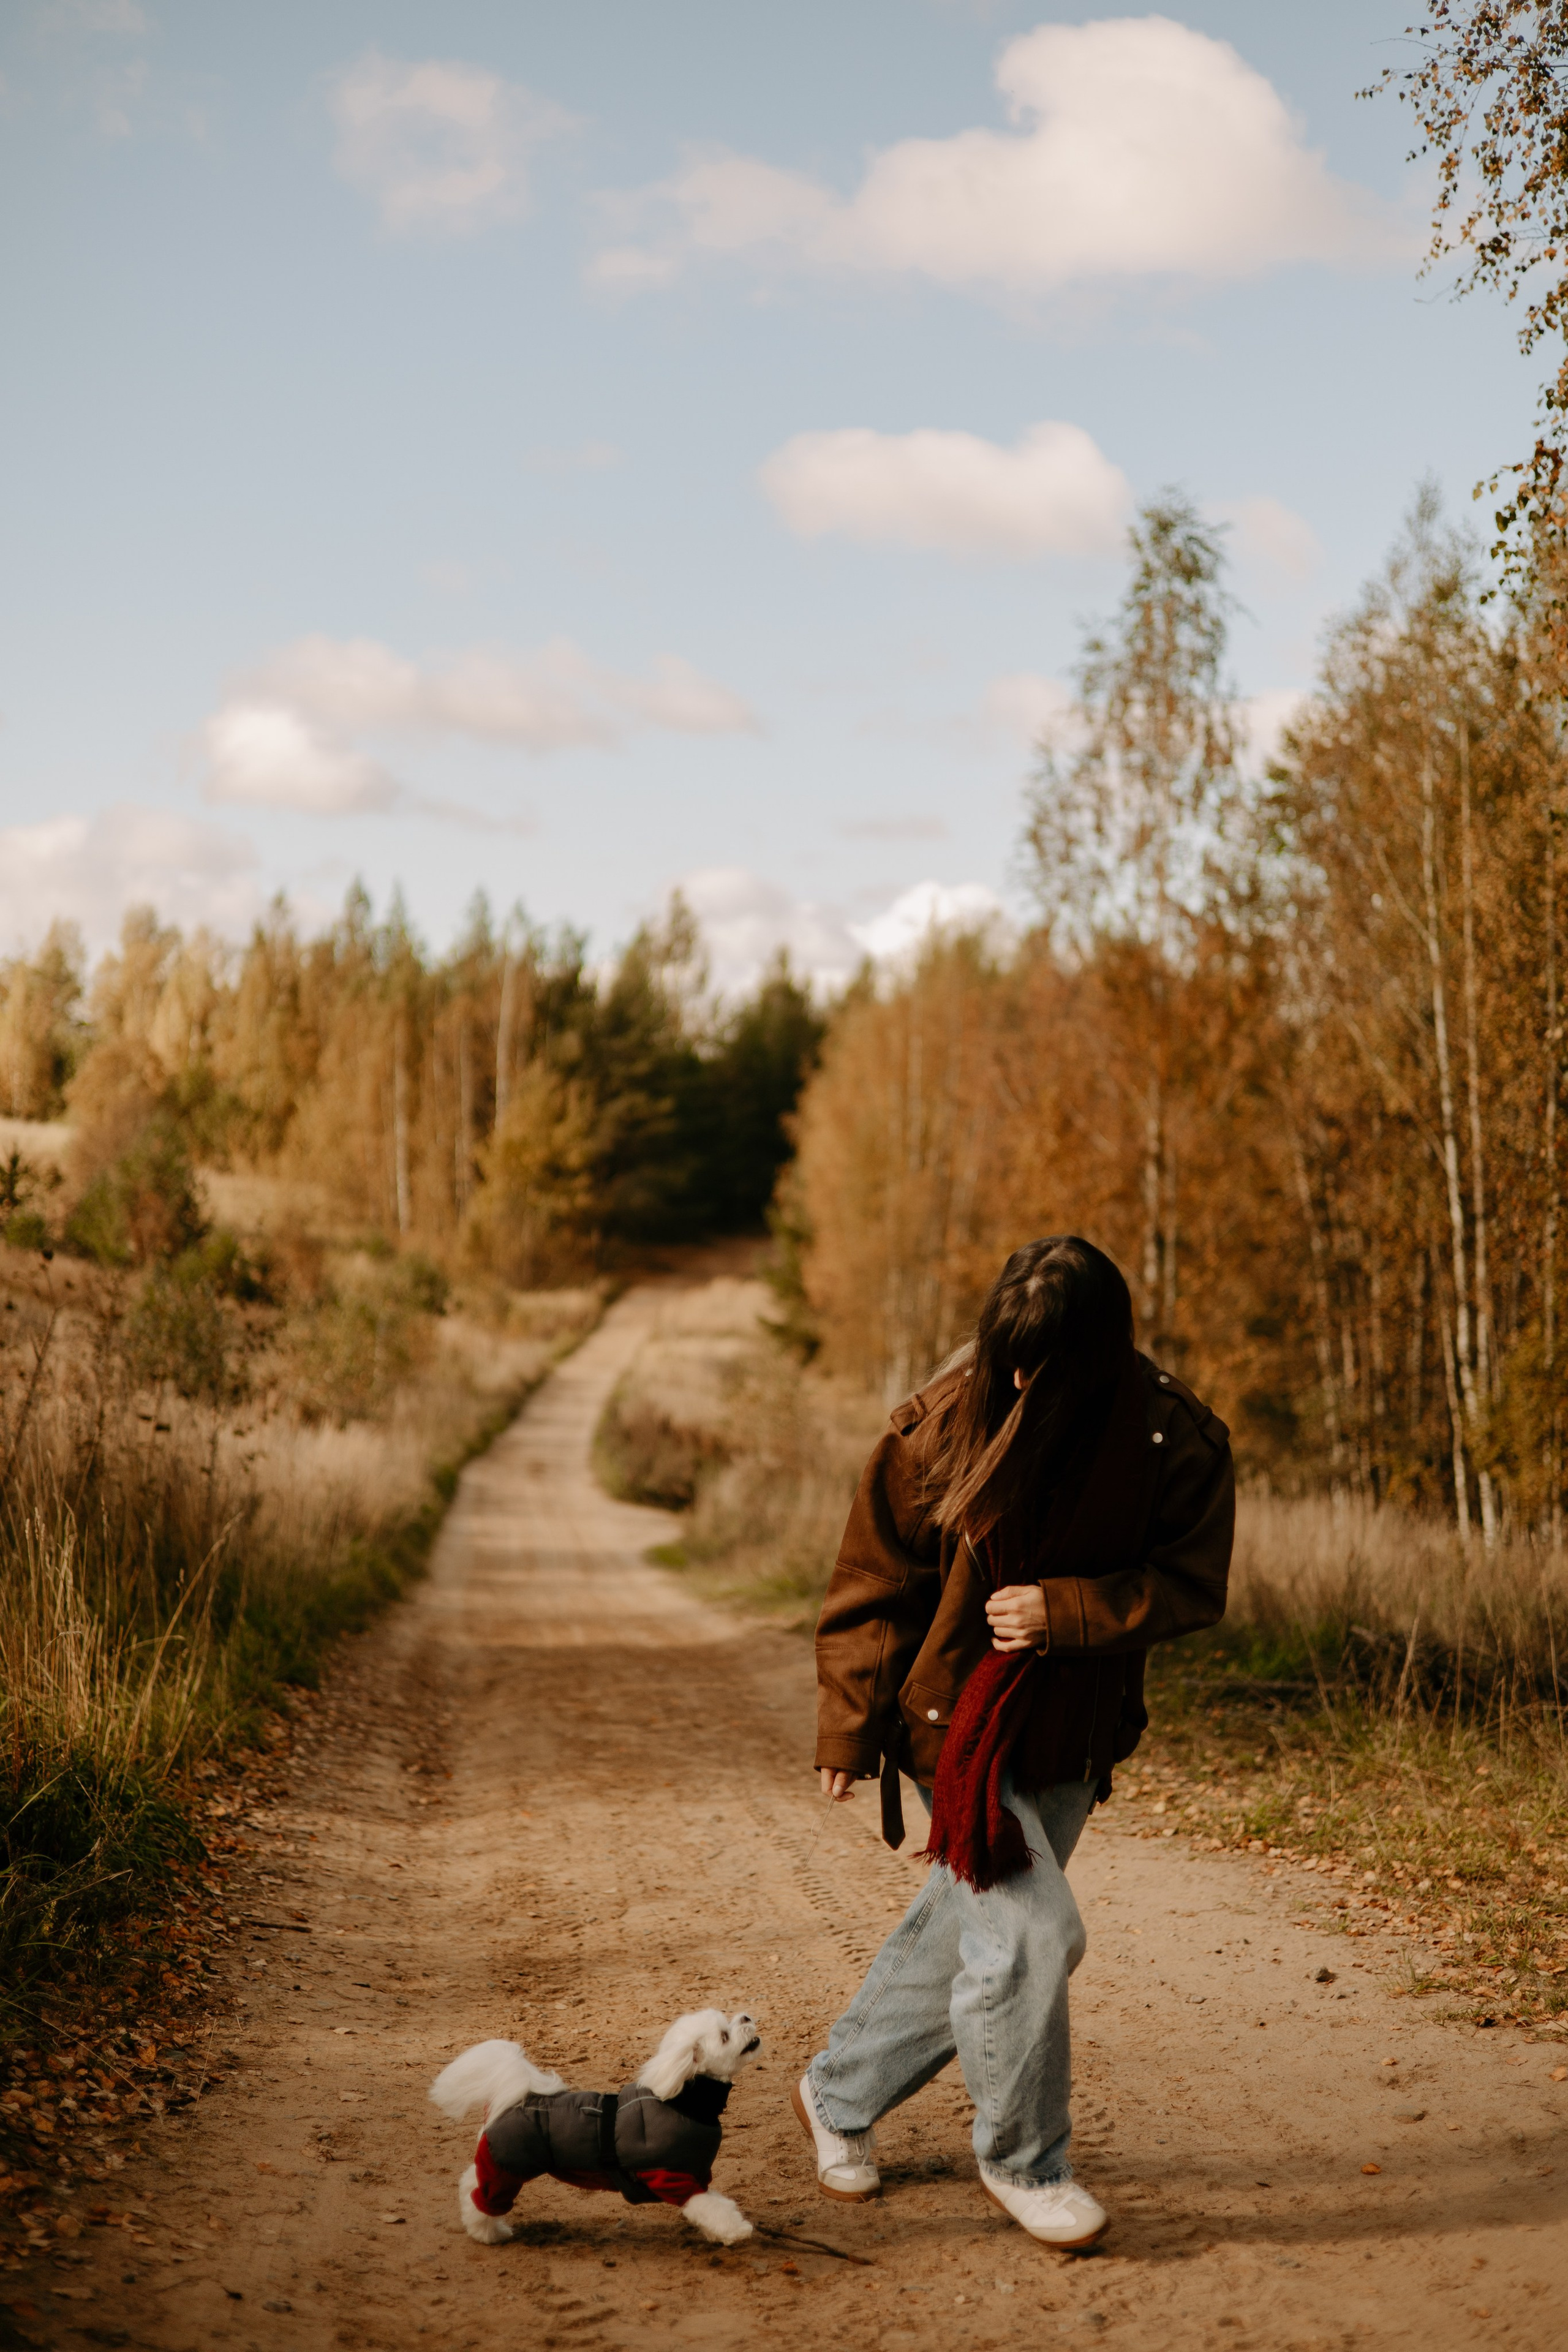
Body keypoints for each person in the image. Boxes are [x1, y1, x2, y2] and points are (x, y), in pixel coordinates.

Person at [793, 1235, 1234, 2249]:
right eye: (1012, 1354)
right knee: (1036, 1934)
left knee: (974, 1931)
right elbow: (875, 1579)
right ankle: (1026, 2164)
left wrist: (1067, 1611)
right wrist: (850, 1722)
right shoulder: (943, 1421)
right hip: (955, 1723)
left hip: (1075, 1733)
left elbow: (1191, 1586)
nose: (1025, 1378)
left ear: (1103, 1351)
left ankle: (837, 2092)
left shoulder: (1172, 1439)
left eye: (1048, 1360)